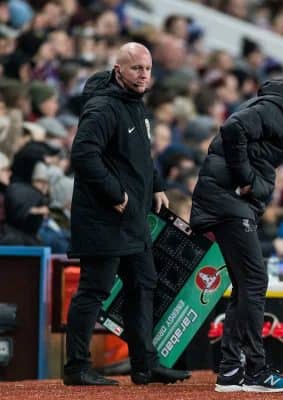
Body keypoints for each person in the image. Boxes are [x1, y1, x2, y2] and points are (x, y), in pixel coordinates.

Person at [190, 74, 283, 393]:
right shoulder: (280, 108)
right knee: (254, 282)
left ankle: (231, 371)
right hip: (225, 202)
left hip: (228, 202)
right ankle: (255, 371)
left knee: (247, 285)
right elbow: (232, 128)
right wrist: (245, 179)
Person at [63, 42, 191, 386]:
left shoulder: (136, 105)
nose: (144, 75)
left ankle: (145, 364)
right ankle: (76, 367)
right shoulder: (103, 107)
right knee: (94, 289)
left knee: (143, 284)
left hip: (131, 218)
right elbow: (84, 155)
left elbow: (142, 156)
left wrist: (157, 185)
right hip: (104, 217)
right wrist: (114, 193)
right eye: (136, 68)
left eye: (148, 69)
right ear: (119, 70)